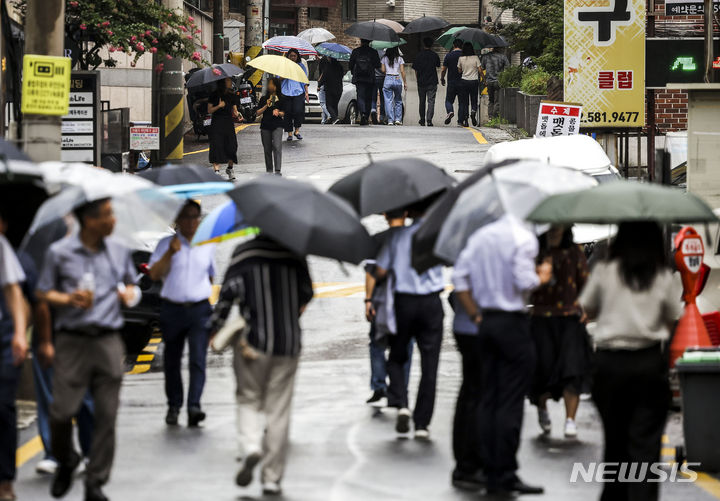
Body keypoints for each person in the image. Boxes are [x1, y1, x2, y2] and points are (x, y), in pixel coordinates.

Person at [36, 198, 141, 501]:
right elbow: (43, 293)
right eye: (107, 215)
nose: (113, 221)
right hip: (71, 341)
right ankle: (66, 458)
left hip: (108, 340)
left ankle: (96, 480)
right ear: (90, 221)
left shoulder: (119, 250)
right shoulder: (60, 253)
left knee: (106, 415)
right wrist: (68, 300)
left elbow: (133, 286)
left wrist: (127, 295)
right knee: (61, 412)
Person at [580, 222, 682, 501]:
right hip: (648, 364)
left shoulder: (604, 272)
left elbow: (587, 308)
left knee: (615, 443)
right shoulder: (662, 276)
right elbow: (672, 319)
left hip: (609, 365)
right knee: (646, 447)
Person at [452, 214, 552, 495]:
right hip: (513, 323)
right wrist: (541, 276)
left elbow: (459, 279)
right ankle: (505, 473)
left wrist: (475, 315)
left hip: (486, 323)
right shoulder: (523, 238)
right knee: (510, 401)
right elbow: (524, 281)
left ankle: (490, 470)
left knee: (488, 399)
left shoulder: (479, 238)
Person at [210, 236, 313, 497]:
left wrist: (215, 328)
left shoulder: (244, 253)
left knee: (248, 399)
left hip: (253, 343)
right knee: (278, 410)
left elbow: (227, 294)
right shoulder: (295, 252)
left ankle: (252, 445)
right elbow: (307, 292)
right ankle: (272, 479)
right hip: (289, 343)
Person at [374, 208, 444, 440]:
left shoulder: (397, 236)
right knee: (430, 364)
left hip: (404, 303)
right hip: (432, 303)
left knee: (397, 355)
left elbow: (381, 270)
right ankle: (422, 423)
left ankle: (402, 403)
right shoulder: (436, 235)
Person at [149, 200, 216, 428]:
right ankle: (174, 405)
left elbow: (211, 276)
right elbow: (154, 275)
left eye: (195, 217)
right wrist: (170, 252)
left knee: (198, 359)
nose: (191, 222)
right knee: (172, 360)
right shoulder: (165, 244)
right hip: (172, 309)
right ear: (177, 221)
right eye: (186, 217)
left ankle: (194, 405)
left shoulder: (207, 244)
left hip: (199, 309)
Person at [529, 226, 591, 439]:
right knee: (542, 371)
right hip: (541, 319)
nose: (555, 229)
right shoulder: (534, 252)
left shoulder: (574, 252)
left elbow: (585, 283)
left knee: (571, 370)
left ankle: (570, 420)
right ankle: (542, 409)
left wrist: (587, 309)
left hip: (569, 319)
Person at [364, 211, 413, 408]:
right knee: (405, 346)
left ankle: (378, 385)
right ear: (406, 214)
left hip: (382, 300)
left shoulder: (377, 240)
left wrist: (368, 300)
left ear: (385, 216)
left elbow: (371, 274)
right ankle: (401, 389)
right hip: (408, 300)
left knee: (377, 343)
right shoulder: (413, 238)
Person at [0, 229, 27, 501]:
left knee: (4, 406)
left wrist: (20, 332)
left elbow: (12, 289)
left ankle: (5, 480)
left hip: (4, 336)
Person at [449, 291, 486, 492]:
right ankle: (468, 463)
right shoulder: (476, 259)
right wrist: (476, 316)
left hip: (470, 326)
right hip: (476, 328)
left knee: (471, 394)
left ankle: (468, 461)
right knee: (475, 395)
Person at [207, 77, 240, 181]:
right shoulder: (214, 94)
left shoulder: (232, 95)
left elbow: (235, 110)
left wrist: (239, 115)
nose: (230, 82)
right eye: (228, 80)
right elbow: (209, 110)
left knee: (232, 146)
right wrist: (219, 106)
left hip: (228, 123)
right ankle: (216, 171)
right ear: (223, 82)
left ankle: (230, 169)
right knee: (217, 145)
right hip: (217, 123)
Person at [254, 77, 288, 176]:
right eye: (269, 84)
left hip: (277, 125)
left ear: (276, 86)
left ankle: (277, 170)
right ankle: (269, 170)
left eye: (271, 84)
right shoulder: (264, 98)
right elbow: (257, 113)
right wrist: (266, 105)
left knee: (277, 146)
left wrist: (279, 112)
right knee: (267, 148)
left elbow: (284, 113)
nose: (269, 86)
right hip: (265, 125)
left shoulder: (282, 98)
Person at [350, 39, 381, 126]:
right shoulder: (373, 52)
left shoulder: (356, 51)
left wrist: (354, 72)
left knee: (360, 96)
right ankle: (366, 116)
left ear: (360, 41)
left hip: (359, 78)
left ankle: (363, 114)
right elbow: (378, 64)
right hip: (370, 78)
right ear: (369, 42)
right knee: (368, 97)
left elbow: (350, 64)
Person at [282, 49, 309, 142]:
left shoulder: (301, 66)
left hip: (298, 92)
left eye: (294, 56)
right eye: (291, 56)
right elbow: (279, 78)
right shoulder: (284, 66)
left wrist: (306, 93)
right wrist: (286, 73)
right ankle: (289, 133)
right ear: (288, 56)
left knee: (298, 111)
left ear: (297, 57)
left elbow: (305, 80)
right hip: (286, 92)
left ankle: (296, 131)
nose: (293, 57)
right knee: (288, 112)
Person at [413, 37, 441, 127]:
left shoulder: (418, 55)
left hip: (421, 81)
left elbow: (415, 69)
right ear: (432, 45)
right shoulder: (435, 55)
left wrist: (417, 79)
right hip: (432, 81)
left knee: (422, 101)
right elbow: (438, 65)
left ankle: (422, 119)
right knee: (431, 101)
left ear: (423, 44)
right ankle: (429, 120)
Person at [457, 42, 482, 127]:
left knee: (465, 102)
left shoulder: (461, 58)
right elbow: (480, 70)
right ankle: (473, 112)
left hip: (464, 81)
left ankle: (466, 119)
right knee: (474, 99)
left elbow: (459, 71)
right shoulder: (476, 58)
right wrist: (484, 79)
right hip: (474, 81)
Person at [480, 47, 509, 118]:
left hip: (489, 81)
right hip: (499, 81)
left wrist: (484, 80)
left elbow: (482, 68)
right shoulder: (503, 56)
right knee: (497, 100)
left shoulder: (486, 56)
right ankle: (495, 117)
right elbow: (508, 67)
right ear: (500, 48)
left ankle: (490, 116)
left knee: (491, 100)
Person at [381, 47, 406, 126]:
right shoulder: (400, 59)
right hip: (397, 78)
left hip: (388, 78)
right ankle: (398, 119)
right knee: (398, 100)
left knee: (388, 101)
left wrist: (388, 73)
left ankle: (390, 120)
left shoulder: (384, 58)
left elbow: (383, 70)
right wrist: (405, 82)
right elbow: (402, 71)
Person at [440, 39, 464, 125]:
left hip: (451, 81)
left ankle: (450, 111)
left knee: (449, 100)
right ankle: (460, 121)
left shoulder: (448, 55)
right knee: (462, 102)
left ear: (453, 45)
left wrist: (442, 78)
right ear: (462, 46)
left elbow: (443, 69)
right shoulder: (464, 56)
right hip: (463, 81)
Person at [318, 55, 344, 124]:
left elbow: (324, 77)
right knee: (335, 104)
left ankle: (335, 118)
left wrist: (319, 85)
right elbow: (342, 75)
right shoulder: (340, 66)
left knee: (329, 105)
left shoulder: (328, 67)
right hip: (339, 88)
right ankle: (334, 119)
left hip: (329, 88)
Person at [371, 49, 386, 125]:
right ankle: (382, 117)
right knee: (383, 98)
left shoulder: (373, 52)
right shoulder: (385, 54)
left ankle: (373, 110)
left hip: (374, 77)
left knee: (373, 97)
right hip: (383, 78)